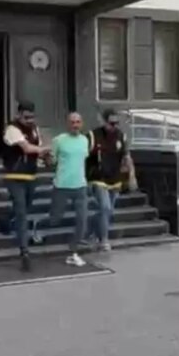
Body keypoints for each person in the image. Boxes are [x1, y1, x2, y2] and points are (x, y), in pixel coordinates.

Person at [2, 101, 47, 272]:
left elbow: (37, 149)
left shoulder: (35, 129)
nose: (29, 120)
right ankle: (24, 252)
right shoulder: (12, 129)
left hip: (30, 176)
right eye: (26, 117)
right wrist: (44, 149)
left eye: (32, 117)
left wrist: (45, 157)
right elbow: (27, 148)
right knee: (22, 212)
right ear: (19, 115)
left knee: (23, 208)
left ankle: (4, 221)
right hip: (14, 176)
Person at [86, 108, 134, 252]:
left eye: (117, 123)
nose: (114, 126)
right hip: (98, 177)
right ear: (104, 122)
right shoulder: (93, 135)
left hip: (115, 178)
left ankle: (91, 228)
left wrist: (131, 176)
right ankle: (104, 240)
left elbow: (126, 156)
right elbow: (83, 156)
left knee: (108, 211)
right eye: (111, 123)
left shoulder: (121, 136)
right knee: (105, 207)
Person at [47, 112, 91, 267]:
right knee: (55, 219)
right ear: (67, 124)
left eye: (78, 122)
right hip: (62, 186)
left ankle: (73, 251)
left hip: (80, 186)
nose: (75, 125)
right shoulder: (58, 140)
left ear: (82, 124)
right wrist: (47, 158)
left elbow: (83, 160)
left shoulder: (85, 140)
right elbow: (51, 161)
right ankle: (36, 230)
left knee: (82, 220)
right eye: (72, 122)